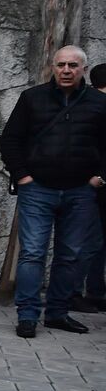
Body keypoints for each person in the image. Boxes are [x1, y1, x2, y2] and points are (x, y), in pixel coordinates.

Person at [0, 45, 106, 338]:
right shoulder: (32, 98)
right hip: (38, 190)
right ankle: (27, 316)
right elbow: (10, 140)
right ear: (53, 67)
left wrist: (100, 178)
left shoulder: (99, 103)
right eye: (61, 65)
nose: (66, 70)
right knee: (32, 254)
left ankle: (57, 313)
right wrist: (22, 177)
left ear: (83, 69)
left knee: (70, 255)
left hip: (81, 191)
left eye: (73, 65)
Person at [75, 63, 106, 310]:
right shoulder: (93, 107)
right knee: (88, 241)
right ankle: (73, 293)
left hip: (96, 182)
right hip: (90, 184)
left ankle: (95, 292)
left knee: (96, 242)